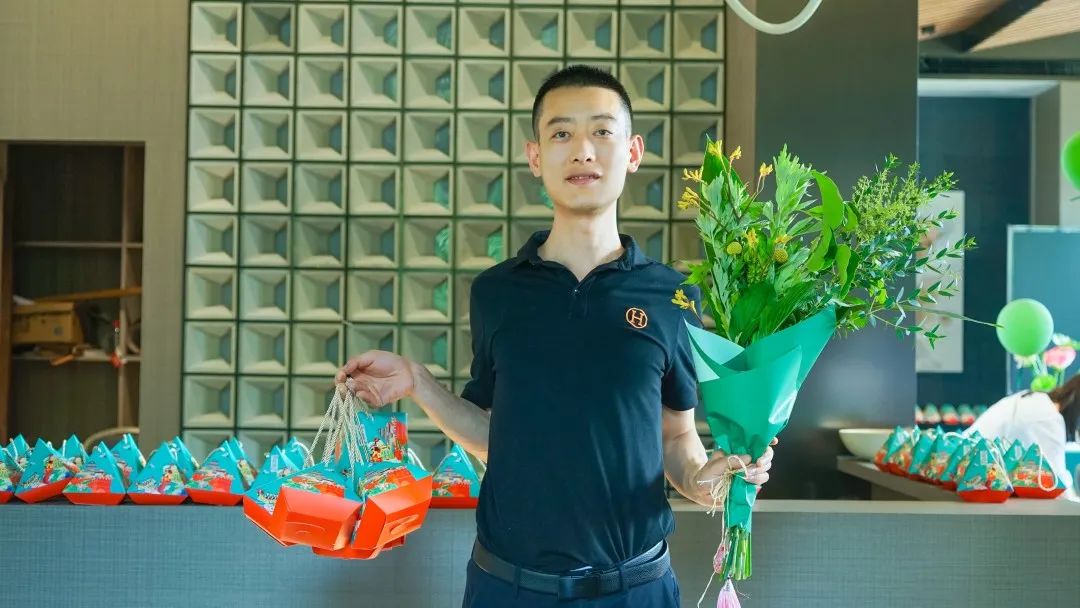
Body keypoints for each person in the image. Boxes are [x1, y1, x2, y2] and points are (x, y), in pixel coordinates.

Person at [337, 65, 775, 607]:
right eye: (562, 133)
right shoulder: (498, 292)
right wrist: (418, 382)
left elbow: (673, 440)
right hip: (508, 587)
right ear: (535, 156)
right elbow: (494, 435)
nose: (583, 151)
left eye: (602, 131)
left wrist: (713, 482)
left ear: (632, 152)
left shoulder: (672, 295)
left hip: (635, 589)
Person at [965, 373, 1080, 499]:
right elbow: (1055, 484)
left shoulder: (1037, 401)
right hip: (974, 482)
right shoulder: (1047, 419)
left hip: (966, 474)